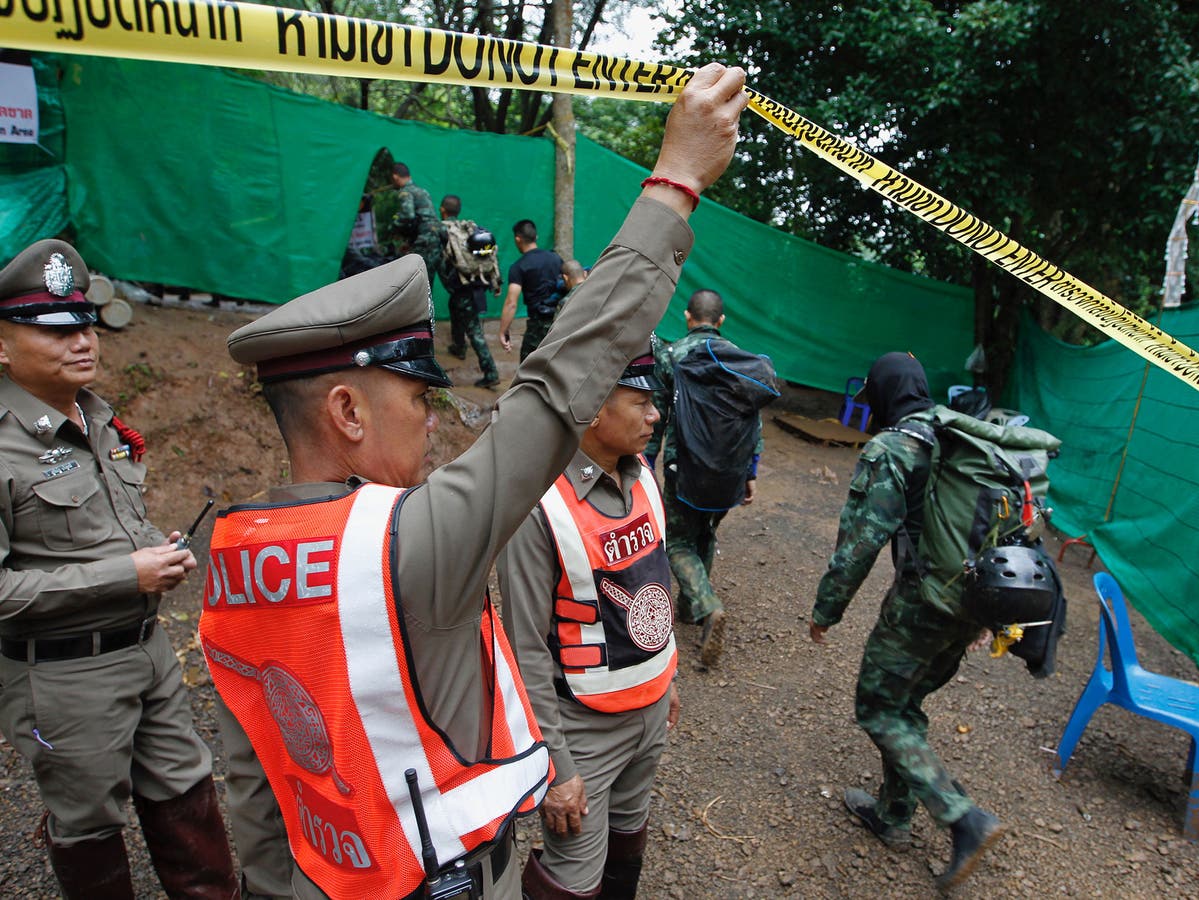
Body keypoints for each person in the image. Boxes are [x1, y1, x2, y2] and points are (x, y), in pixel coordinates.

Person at [201, 62, 749, 900]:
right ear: (348, 411)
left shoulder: (234, 555)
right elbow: (558, 386)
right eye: (418, 398)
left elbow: (256, 774)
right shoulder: (410, 541)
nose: (433, 421)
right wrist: (674, 183)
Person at [0, 240, 238, 899]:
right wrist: (122, 574)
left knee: (186, 792)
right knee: (88, 825)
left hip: (148, 651)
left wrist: (151, 553)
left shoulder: (96, 416)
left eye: (84, 325)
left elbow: (95, 529)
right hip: (65, 675)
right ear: (1, 345)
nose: (82, 341)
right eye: (55, 331)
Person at [808, 351, 1004, 892]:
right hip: (970, 605)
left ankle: (964, 817)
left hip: (920, 604)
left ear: (883, 395)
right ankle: (892, 817)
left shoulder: (894, 446)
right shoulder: (963, 439)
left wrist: (828, 609)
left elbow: (862, 539)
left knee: (877, 707)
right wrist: (988, 616)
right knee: (906, 704)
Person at [497, 347, 679, 899]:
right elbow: (524, 648)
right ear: (594, 407)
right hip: (586, 732)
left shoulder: (644, 474)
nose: (655, 415)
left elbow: (657, 583)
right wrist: (558, 766)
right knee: (573, 877)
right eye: (642, 401)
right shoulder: (537, 506)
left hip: (650, 711)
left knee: (629, 839)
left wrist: (668, 676)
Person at [648, 289, 764, 668]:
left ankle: (707, 603)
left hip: (685, 468)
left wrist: (646, 462)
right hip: (730, 470)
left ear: (687, 316)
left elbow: (657, 414)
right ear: (721, 321)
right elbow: (754, 419)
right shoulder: (740, 358)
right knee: (706, 532)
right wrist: (751, 472)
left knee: (677, 541)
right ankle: (689, 607)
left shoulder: (671, 355)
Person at [438, 193, 501, 388]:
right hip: (473, 284)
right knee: (454, 307)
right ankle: (458, 346)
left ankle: (491, 372)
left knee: (474, 330)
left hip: (464, 287)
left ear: (442, 210)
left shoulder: (444, 231)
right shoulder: (468, 229)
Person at [498, 219, 564, 361]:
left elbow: (511, 302)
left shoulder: (519, 266)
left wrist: (503, 331)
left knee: (528, 369)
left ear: (517, 239)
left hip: (537, 326)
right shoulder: (556, 258)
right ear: (536, 237)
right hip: (560, 322)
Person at [382, 161, 444, 283]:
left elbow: (408, 215)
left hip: (424, 239)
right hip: (437, 237)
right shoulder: (422, 191)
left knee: (416, 281)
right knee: (428, 280)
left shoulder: (406, 192)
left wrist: (393, 228)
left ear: (395, 177)